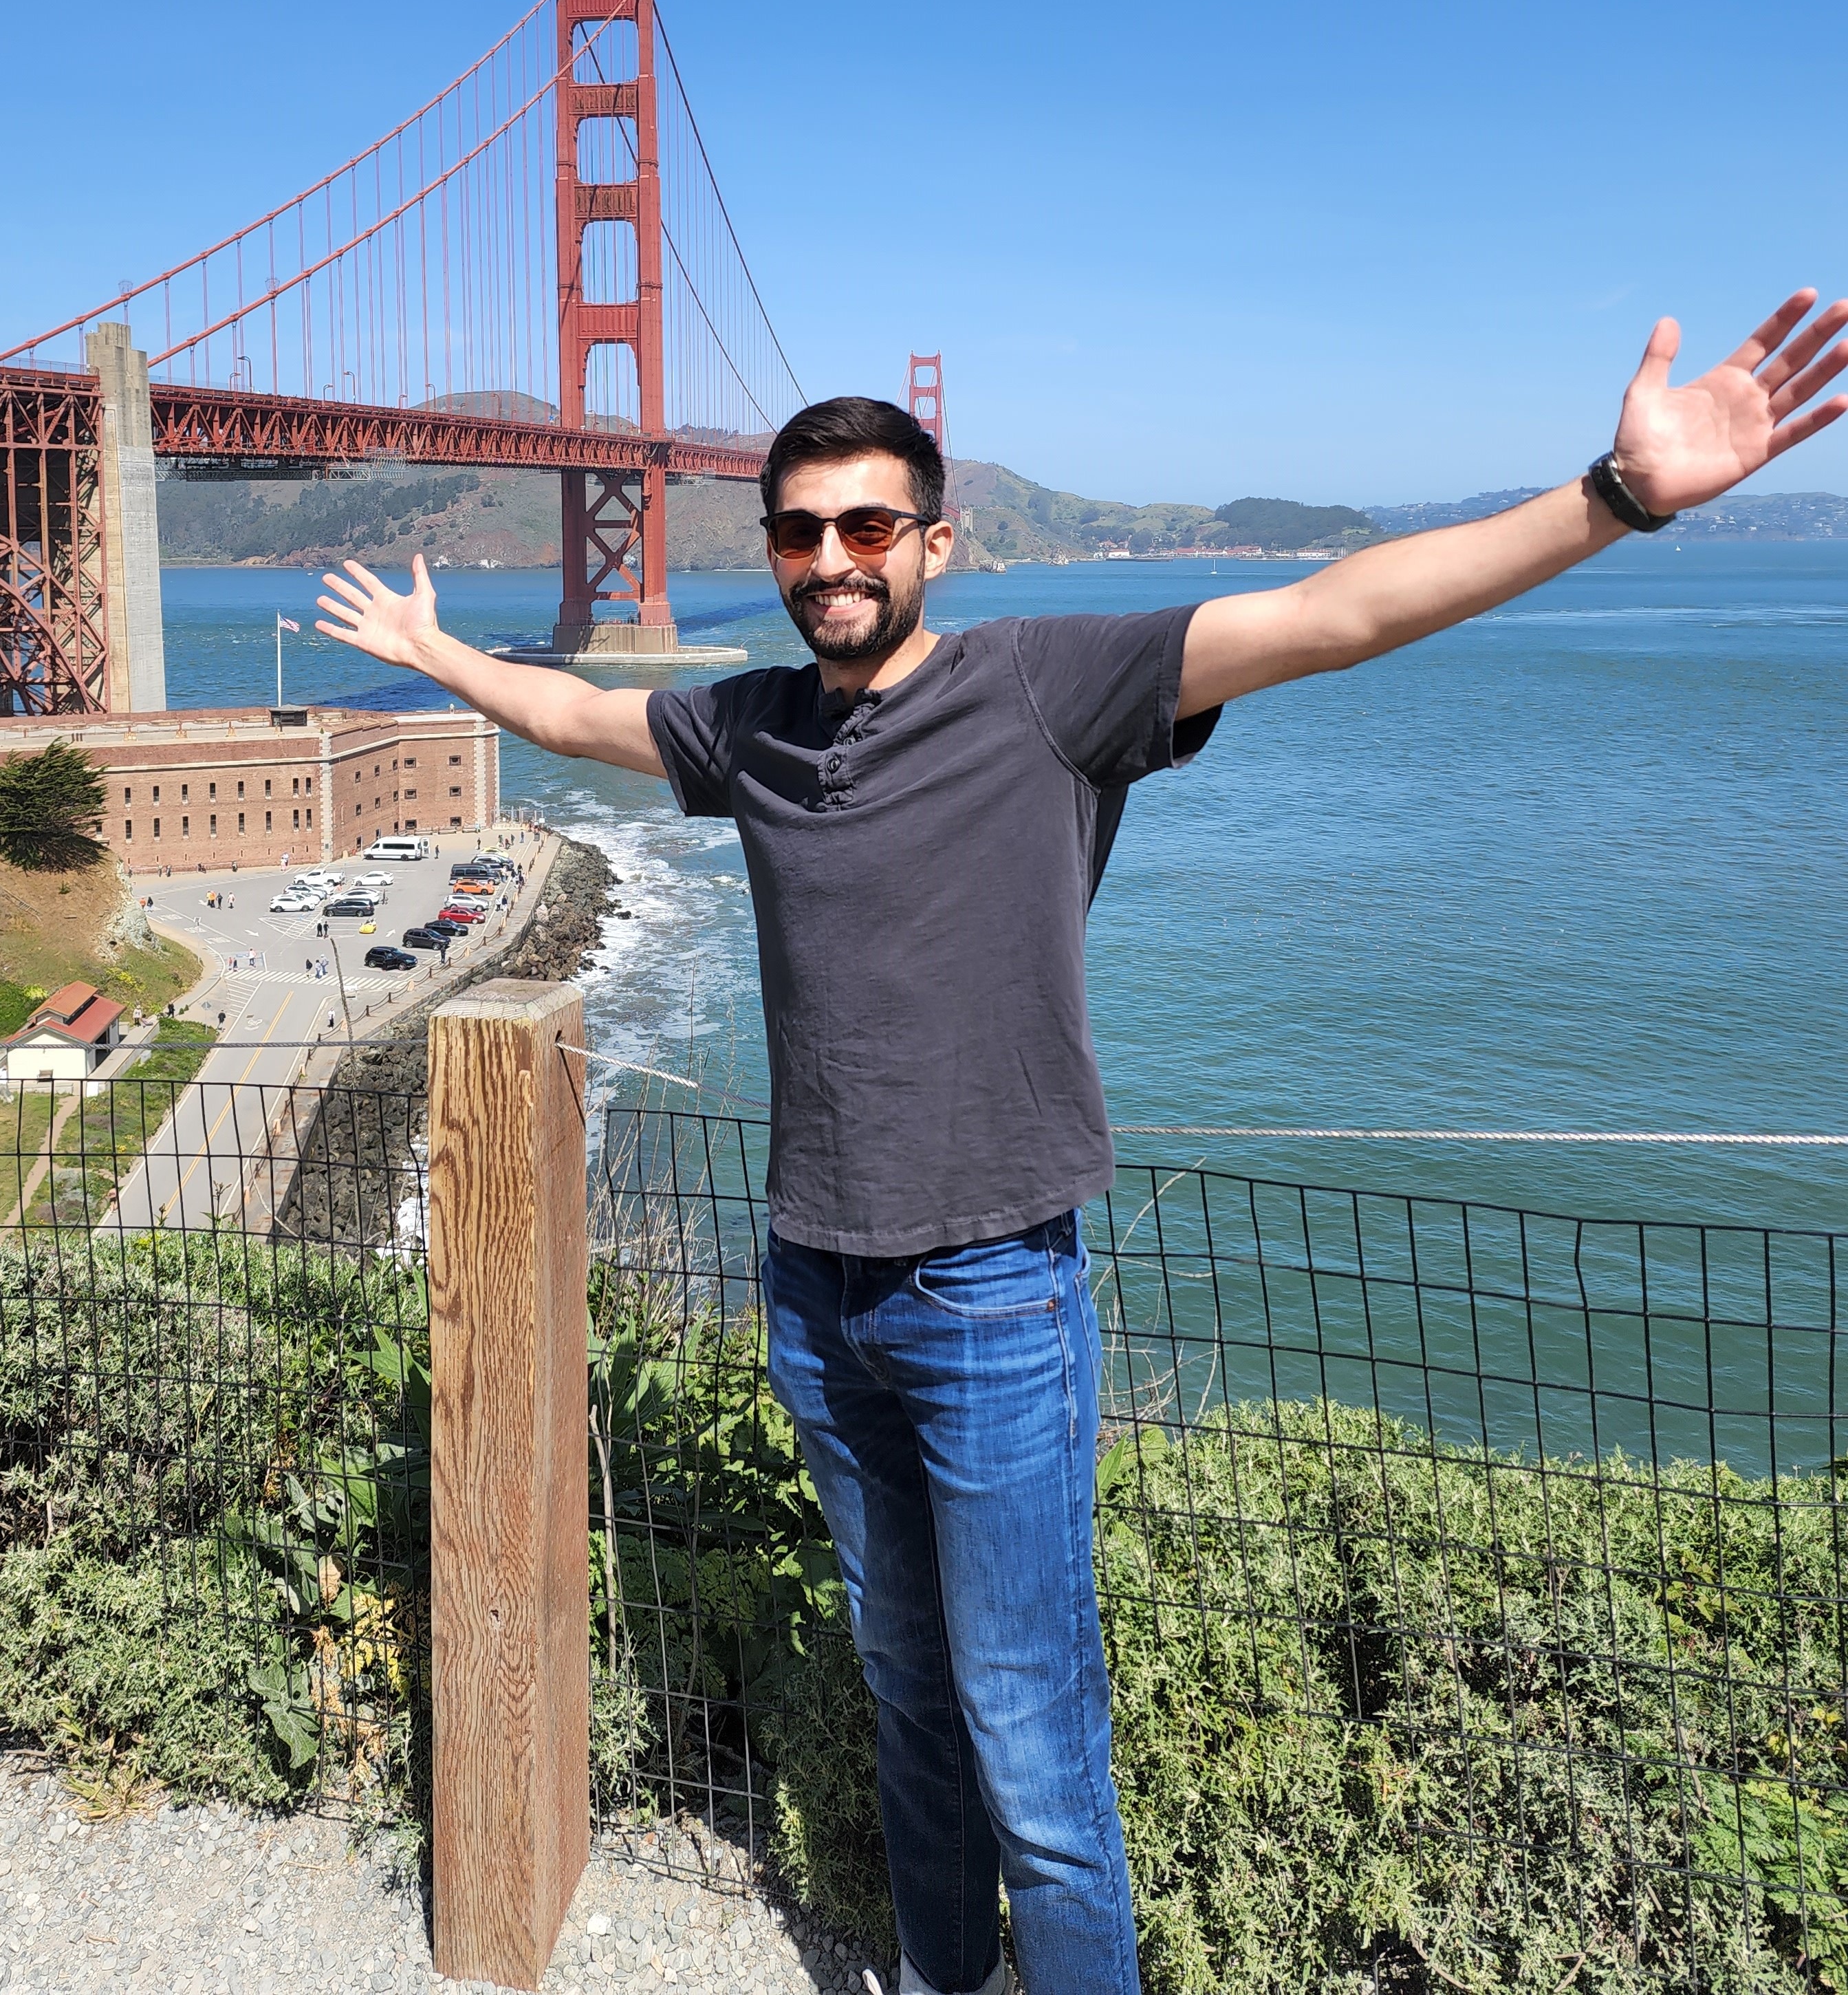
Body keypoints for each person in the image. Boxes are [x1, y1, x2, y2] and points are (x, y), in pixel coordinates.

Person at [316, 292, 1848, 1995]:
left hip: (990, 1298)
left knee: (1036, 1747)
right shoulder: (748, 727)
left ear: (936, 542)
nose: (834, 555)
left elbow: (1334, 613)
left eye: (870, 524)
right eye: (803, 529)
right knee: (905, 1691)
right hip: (813, 1290)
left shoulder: (1048, 690)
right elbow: (582, 722)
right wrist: (447, 657)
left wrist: (1616, 499)